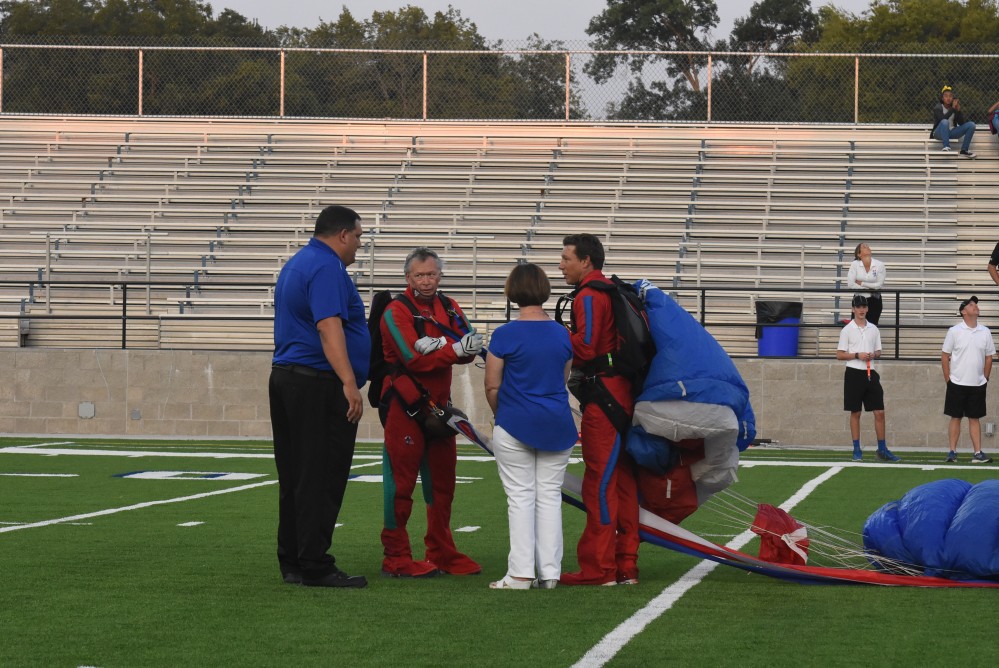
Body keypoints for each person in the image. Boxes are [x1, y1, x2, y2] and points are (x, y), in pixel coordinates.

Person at [269, 204, 370, 588]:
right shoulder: (328, 267)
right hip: (316, 383)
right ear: (342, 234)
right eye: (358, 236)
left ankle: (293, 560)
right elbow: (329, 327)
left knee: (295, 475)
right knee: (321, 475)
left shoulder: (299, 262)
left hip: (288, 379)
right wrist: (348, 381)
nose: (359, 245)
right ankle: (314, 563)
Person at [377, 247, 485, 578]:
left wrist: (450, 349)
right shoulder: (395, 311)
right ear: (407, 277)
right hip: (404, 405)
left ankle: (440, 550)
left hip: (440, 406)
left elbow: (471, 347)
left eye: (432, 274)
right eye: (420, 275)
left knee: (443, 482)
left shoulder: (449, 306)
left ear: (440, 275)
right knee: (401, 484)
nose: (427, 280)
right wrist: (452, 349)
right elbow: (413, 359)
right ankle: (395, 557)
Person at [483, 263, 578, 590]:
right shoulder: (563, 334)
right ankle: (550, 572)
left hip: (515, 422)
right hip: (557, 422)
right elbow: (563, 378)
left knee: (520, 498)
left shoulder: (504, 334)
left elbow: (492, 387)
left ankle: (521, 574)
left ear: (512, 291)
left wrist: (503, 414)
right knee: (549, 497)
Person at [558, 233, 641, 586]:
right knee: (621, 482)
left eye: (566, 258)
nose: (561, 265)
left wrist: (552, 340)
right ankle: (626, 565)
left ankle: (600, 568)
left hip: (604, 396)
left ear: (586, 261)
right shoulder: (610, 290)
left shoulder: (590, 295)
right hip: (620, 393)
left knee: (599, 482)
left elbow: (587, 346)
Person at [836, 294, 900, 463]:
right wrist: (857, 355)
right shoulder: (847, 330)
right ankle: (857, 449)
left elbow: (879, 351)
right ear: (853, 309)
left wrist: (873, 354)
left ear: (867, 309)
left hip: (871, 373)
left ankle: (882, 449)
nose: (861, 310)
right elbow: (840, 355)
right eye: (858, 307)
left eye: (864, 307)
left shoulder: (873, 328)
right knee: (855, 412)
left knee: (879, 411)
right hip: (854, 373)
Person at [941, 296, 996, 464]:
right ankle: (952, 452)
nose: (975, 307)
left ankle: (978, 453)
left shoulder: (985, 331)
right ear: (963, 311)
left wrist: (985, 378)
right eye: (971, 305)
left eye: (976, 304)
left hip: (978, 384)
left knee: (974, 418)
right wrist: (948, 379)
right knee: (955, 417)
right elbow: (945, 355)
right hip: (956, 383)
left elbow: (989, 357)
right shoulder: (954, 331)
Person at [931, 85, 976, 158]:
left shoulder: (954, 109)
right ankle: (946, 147)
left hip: (951, 132)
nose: (948, 98)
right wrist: (952, 109)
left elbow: (961, 123)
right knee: (945, 121)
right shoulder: (938, 108)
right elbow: (942, 119)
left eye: (950, 96)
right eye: (946, 96)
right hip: (938, 133)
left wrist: (958, 111)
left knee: (971, 125)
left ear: (953, 98)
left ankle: (964, 150)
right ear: (942, 98)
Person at [847, 243, 886, 325]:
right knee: (856, 327)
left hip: (874, 300)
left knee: (872, 326)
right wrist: (870, 289)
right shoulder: (855, 264)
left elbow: (879, 285)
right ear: (859, 254)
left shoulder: (879, 265)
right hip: (859, 299)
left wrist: (862, 283)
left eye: (868, 246)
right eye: (864, 247)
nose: (867, 247)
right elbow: (850, 284)